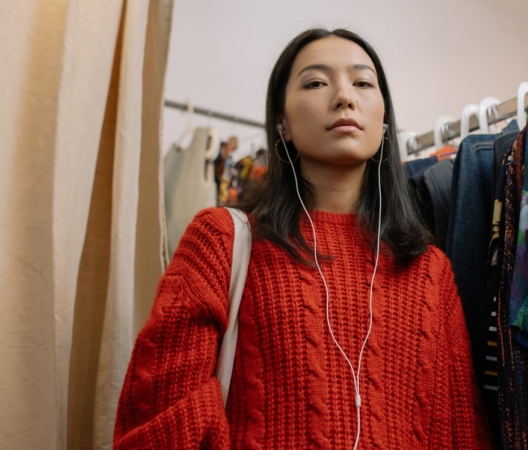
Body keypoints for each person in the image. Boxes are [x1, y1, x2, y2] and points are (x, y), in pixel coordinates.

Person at [114, 27, 492, 449]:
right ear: (283, 124)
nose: (345, 97)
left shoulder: (428, 268)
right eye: (316, 82)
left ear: (384, 120)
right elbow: (159, 418)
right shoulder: (223, 239)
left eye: (363, 83)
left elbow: (461, 432)